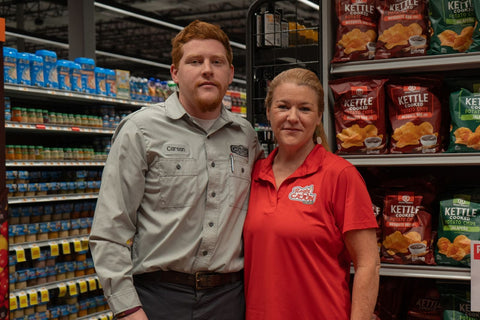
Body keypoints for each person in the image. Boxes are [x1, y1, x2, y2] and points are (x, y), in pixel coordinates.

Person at [89, 20, 263, 320]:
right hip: (158, 299)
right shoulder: (140, 130)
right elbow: (110, 231)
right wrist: (128, 309)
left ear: (230, 74)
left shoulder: (245, 136)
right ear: (175, 73)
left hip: (229, 300)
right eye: (195, 61)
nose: (207, 69)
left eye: (217, 62)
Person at [243, 68, 380, 320]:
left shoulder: (340, 175)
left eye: (304, 109)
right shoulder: (254, 175)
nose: (292, 117)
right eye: (283, 106)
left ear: (318, 117)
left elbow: (367, 264)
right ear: (268, 112)